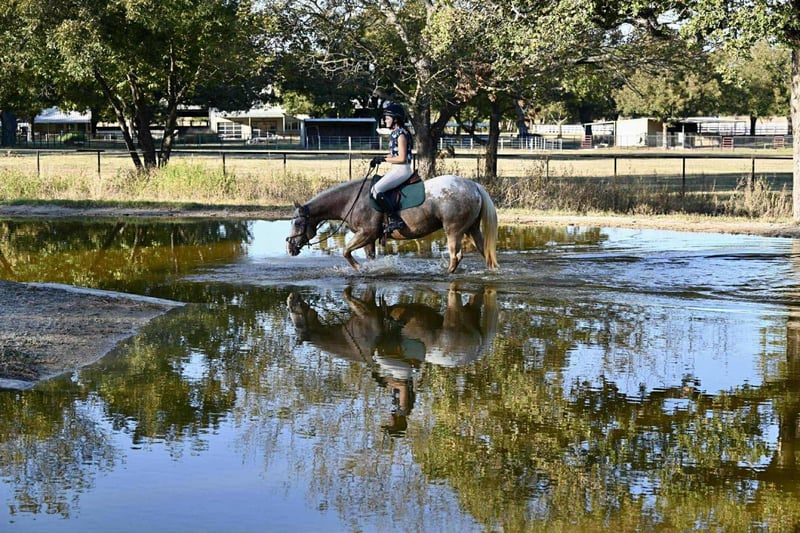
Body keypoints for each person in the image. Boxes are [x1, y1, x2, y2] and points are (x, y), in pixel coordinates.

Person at [370, 102, 413, 232]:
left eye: (387, 118)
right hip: (396, 169)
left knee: (376, 190)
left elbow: (402, 158)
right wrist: (380, 158)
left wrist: (384, 159)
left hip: (402, 169)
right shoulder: (395, 133)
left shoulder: (401, 134)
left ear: (395, 119)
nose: (385, 120)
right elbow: (394, 154)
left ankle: (396, 220)